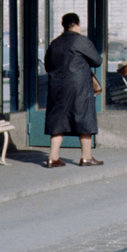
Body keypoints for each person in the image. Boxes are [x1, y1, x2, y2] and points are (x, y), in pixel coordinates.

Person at [43, 12, 103, 168]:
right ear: (77, 24)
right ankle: (86, 157)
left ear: (63, 26)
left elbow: (47, 65)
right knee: (84, 119)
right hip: (79, 87)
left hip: (57, 87)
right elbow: (97, 60)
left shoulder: (54, 43)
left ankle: (52, 157)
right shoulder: (81, 41)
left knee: (58, 121)